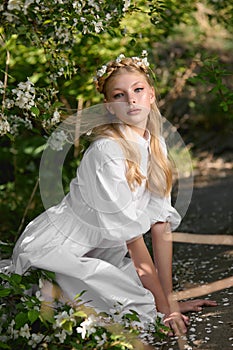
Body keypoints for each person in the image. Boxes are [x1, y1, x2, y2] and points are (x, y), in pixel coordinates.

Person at [10, 52, 216, 335]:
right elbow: (132, 239)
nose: (131, 100)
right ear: (108, 107)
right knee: (139, 312)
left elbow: (160, 226)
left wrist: (169, 303)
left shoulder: (155, 145)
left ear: (151, 95)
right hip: (61, 249)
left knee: (146, 304)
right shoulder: (107, 151)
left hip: (104, 252)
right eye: (119, 95)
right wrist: (164, 311)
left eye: (138, 90)